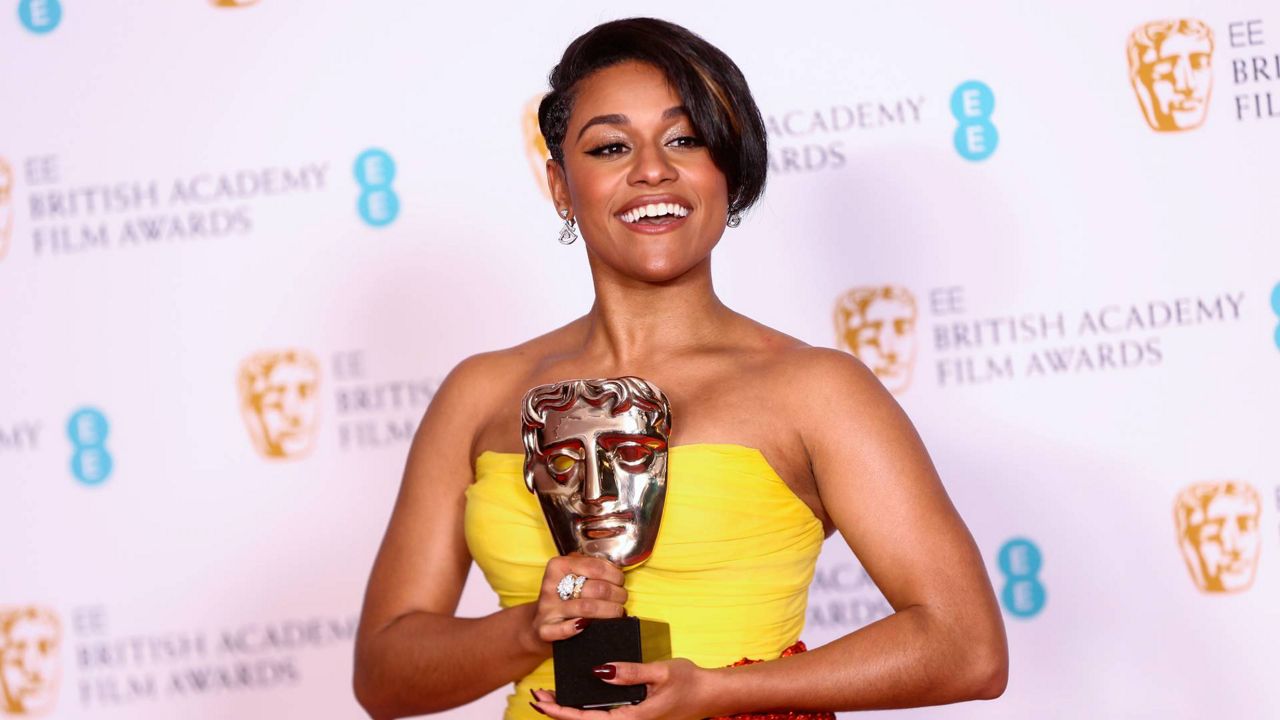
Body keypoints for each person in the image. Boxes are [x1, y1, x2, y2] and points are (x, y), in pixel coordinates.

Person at [353, 17, 1007, 720]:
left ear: (728, 167)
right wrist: (526, 629)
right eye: (609, 146)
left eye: (684, 139)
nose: (651, 170)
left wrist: (719, 691)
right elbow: (386, 679)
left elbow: (967, 648)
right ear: (561, 186)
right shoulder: (479, 393)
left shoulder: (816, 390)